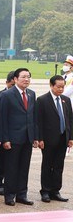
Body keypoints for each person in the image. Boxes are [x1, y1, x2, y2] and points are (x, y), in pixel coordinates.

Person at [0, 68, 38, 206]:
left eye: (28, 77)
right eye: (23, 77)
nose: (26, 79)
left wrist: (35, 137)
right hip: (12, 138)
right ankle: (9, 195)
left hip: (27, 137)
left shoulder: (32, 94)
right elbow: (2, 119)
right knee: (11, 168)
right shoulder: (7, 95)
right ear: (15, 79)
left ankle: (22, 194)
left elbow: (33, 117)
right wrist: (5, 139)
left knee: (24, 167)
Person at [37, 75, 73, 203]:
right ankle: (45, 191)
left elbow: (70, 120)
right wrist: (40, 138)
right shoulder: (42, 100)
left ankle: (55, 190)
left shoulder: (66, 100)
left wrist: (71, 138)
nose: (61, 89)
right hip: (48, 139)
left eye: (63, 87)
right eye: (58, 87)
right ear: (51, 85)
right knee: (47, 165)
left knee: (59, 165)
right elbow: (39, 122)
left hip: (63, 138)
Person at [0, 71, 15, 195]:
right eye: (11, 85)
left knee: (12, 162)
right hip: (2, 133)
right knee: (0, 160)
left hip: (15, 133)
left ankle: (10, 183)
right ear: (7, 83)